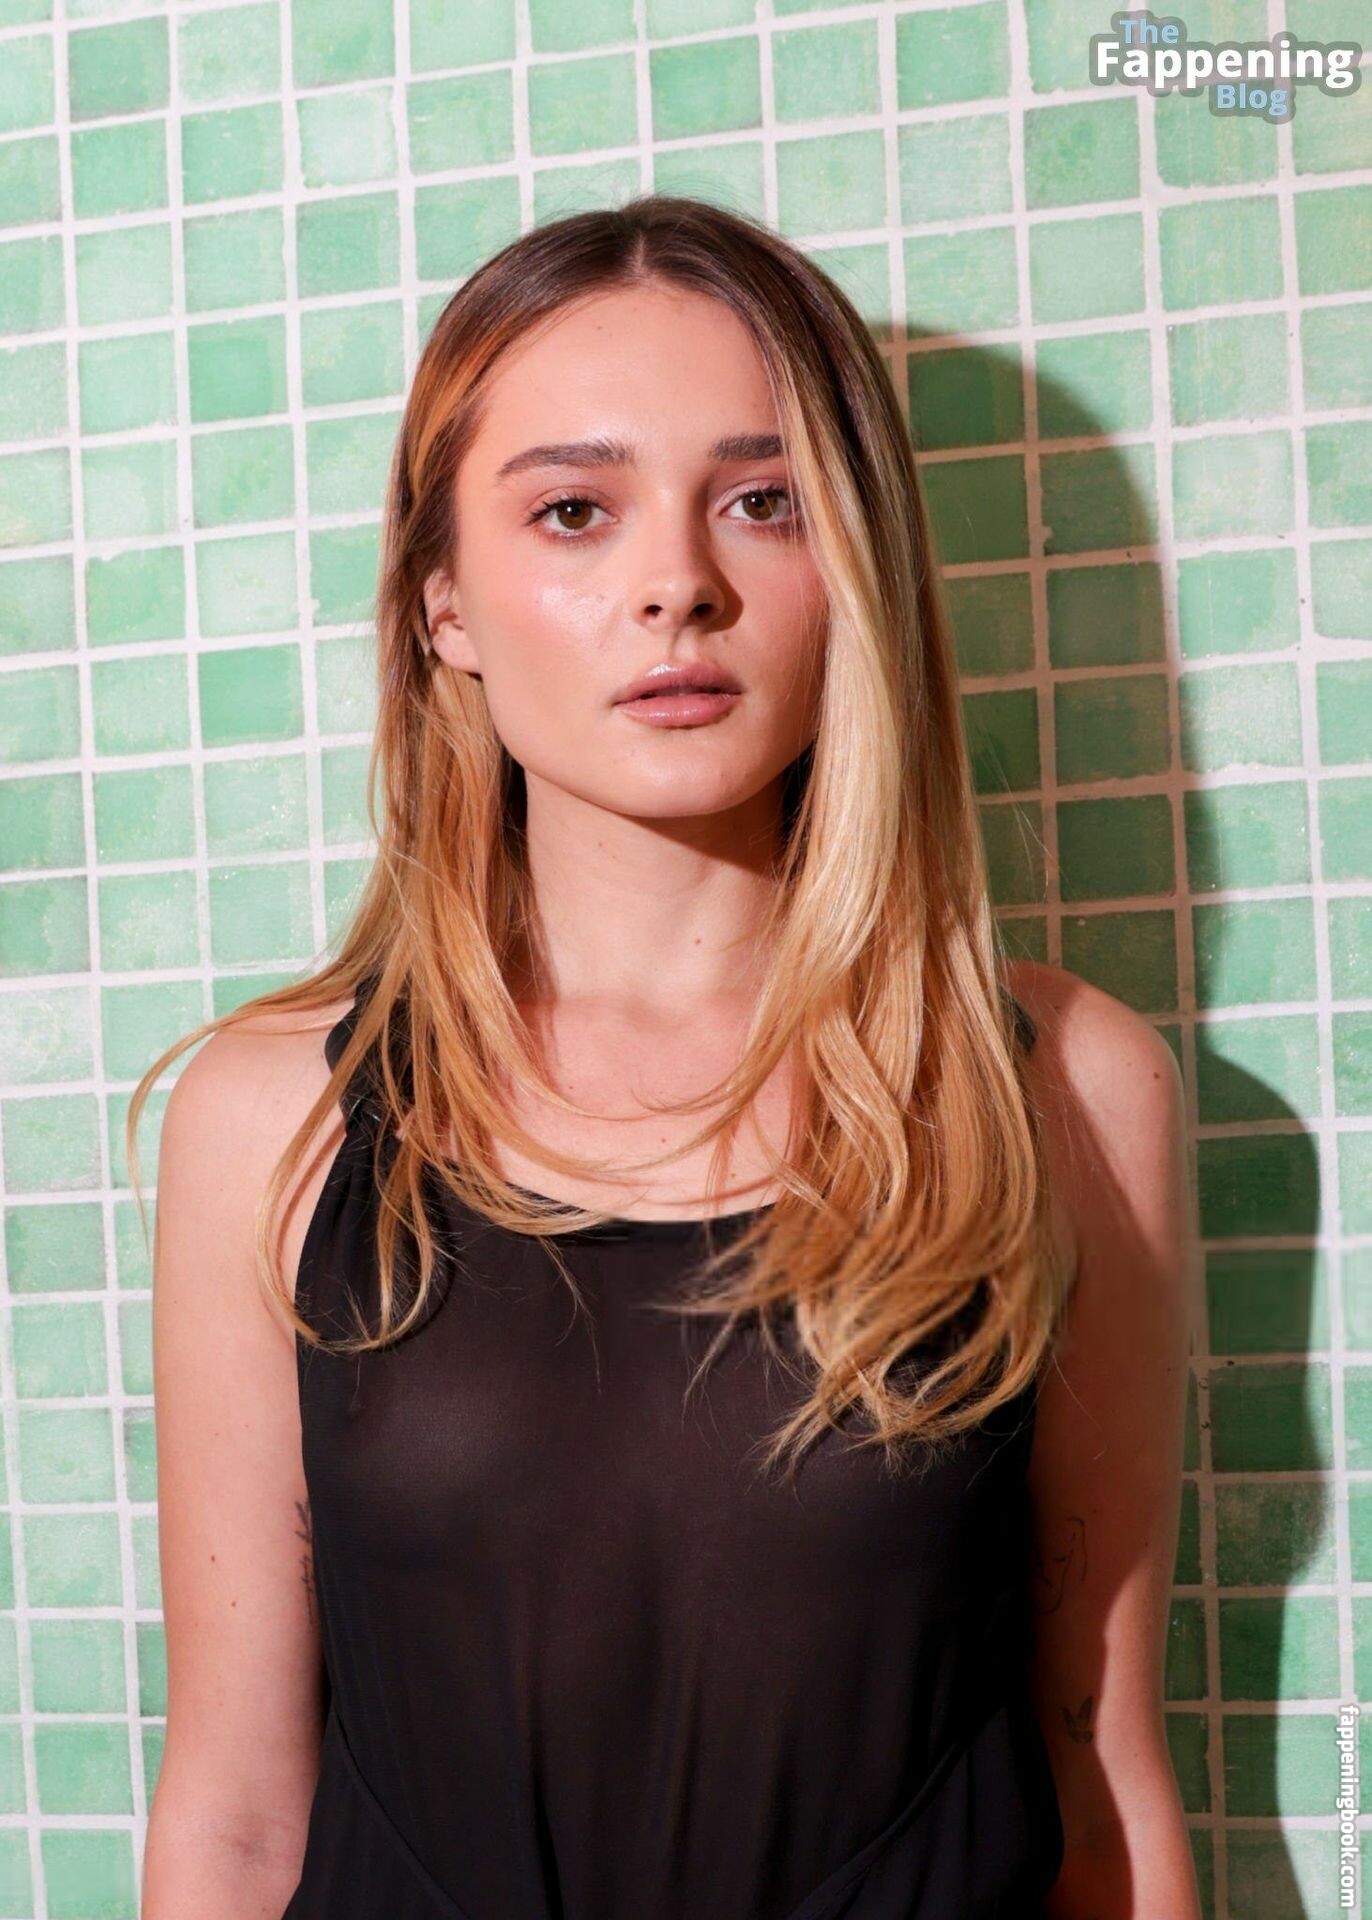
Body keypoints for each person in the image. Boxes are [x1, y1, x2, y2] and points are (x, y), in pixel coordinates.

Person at [136, 195, 1201, 1919]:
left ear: (857, 572)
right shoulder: (277, 1119)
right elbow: (237, 1814)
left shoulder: (1065, 1092)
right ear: (443, 607)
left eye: (764, 502)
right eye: (574, 509)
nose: (677, 585)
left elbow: (1100, 1779)